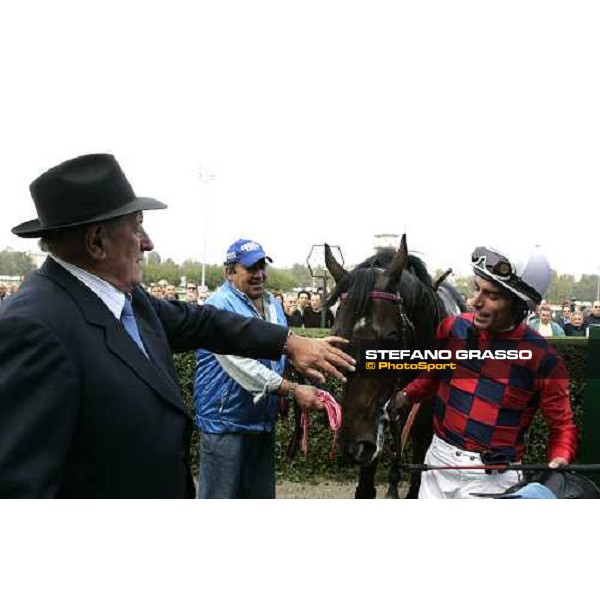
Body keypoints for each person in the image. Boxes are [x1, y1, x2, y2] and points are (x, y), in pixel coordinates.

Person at [0, 153, 354, 498]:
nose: (148, 242)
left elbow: (203, 323)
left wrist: (288, 342)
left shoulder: (128, 299)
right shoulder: (33, 329)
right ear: (96, 241)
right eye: (137, 225)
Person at [388, 245, 577, 499]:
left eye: (492, 295)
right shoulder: (451, 329)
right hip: (437, 462)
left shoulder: (545, 360)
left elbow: (562, 426)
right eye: (477, 288)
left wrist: (560, 456)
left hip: (494, 479)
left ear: (519, 304)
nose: (474, 301)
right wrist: (404, 396)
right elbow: (432, 378)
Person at [194, 239, 325, 498]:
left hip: (261, 422)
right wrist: (292, 390)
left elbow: (281, 351)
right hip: (225, 423)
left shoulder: (273, 305)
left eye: (262, 266)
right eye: (251, 268)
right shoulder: (217, 306)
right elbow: (243, 367)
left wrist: (307, 366)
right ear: (229, 272)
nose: (259, 274)